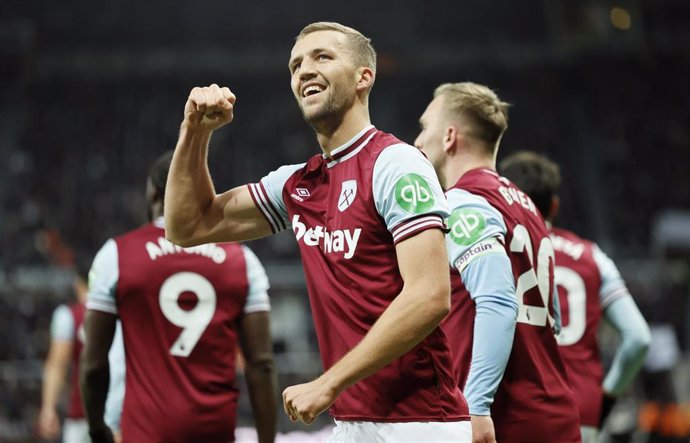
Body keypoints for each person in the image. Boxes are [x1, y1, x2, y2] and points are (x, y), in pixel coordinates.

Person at [165, 22, 471, 442]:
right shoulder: (299, 185)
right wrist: (195, 130)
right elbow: (189, 226)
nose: (304, 70)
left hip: (420, 425)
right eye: (296, 64)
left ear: (364, 77)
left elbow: (429, 296)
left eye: (322, 57)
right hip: (352, 424)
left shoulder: (396, 164)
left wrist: (329, 383)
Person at [414, 82, 581, 443]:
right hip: (557, 413)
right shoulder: (526, 206)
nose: (417, 141)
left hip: (505, 421)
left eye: (425, 128)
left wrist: (476, 404)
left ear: (449, 137)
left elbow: (498, 301)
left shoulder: (462, 203)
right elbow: (553, 319)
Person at [80, 151, 277, 443]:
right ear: (205, 192)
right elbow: (260, 365)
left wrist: (97, 430)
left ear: (152, 193)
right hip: (215, 433)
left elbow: (94, 363)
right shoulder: (242, 261)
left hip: (144, 433)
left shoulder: (117, 255)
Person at [499, 150, 651, 443]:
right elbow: (639, 338)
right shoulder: (593, 256)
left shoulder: (499, 247)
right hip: (582, 408)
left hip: (519, 405)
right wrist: (607, 397)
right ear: (554, 206)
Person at [38, 270, 89, 442]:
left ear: (78, 283)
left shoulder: (69, 316)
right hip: (123, 415)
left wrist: (48, 408)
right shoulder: (123, 312)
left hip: (82, 416)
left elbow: (57, 365)